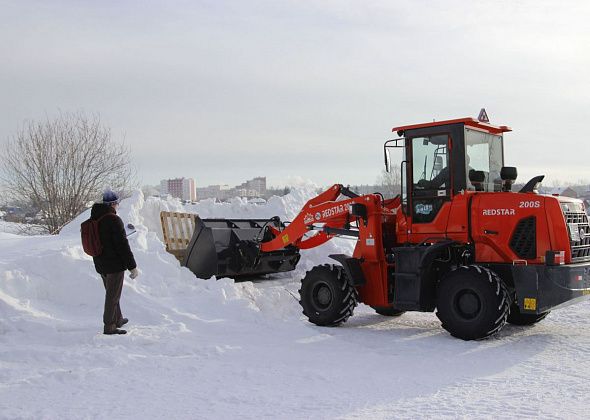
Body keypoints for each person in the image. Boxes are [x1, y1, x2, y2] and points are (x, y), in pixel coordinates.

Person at [91, 189, 139, 335]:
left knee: (113, 293)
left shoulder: (95, 218)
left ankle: (118, 319)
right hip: (114, 265)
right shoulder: (113, 220)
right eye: (117, 203)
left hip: (101, 263)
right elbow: (122, 245)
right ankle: (109, 326)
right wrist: (132, 267)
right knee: (112, 296)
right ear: (113, 204)